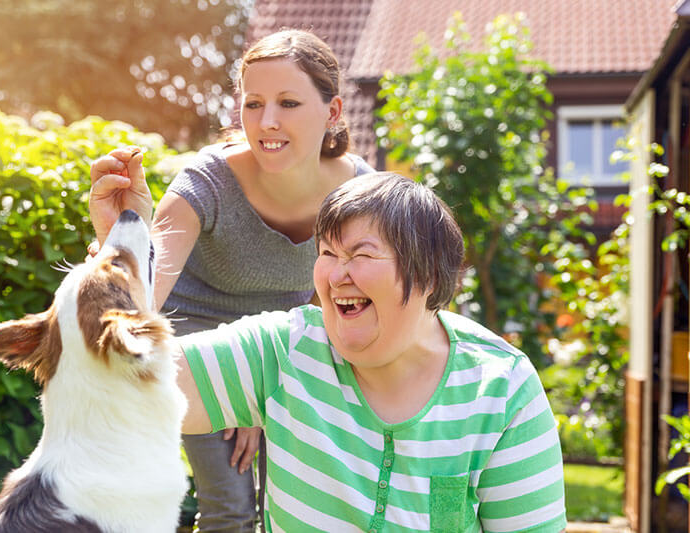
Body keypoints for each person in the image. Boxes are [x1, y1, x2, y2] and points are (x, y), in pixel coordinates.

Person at [88, 29, 374, 532]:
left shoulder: (358, 191)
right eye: (254, 103)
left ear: (331, 113)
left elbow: (341, 295)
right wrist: (119, 238)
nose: (267, 122)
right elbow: (145, 293)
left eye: (288, 103)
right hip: (195, 340)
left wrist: (266, 385)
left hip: (291, 342)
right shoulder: (208, 181)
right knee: (234, 510)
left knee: (311, 509)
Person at [176, 172, 567, 532]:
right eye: (327, 254)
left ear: (428, 274)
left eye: (360, 255)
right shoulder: (285, 350)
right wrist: (119, 246)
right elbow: (136, 382)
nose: (335, 275)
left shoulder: (502, 388)